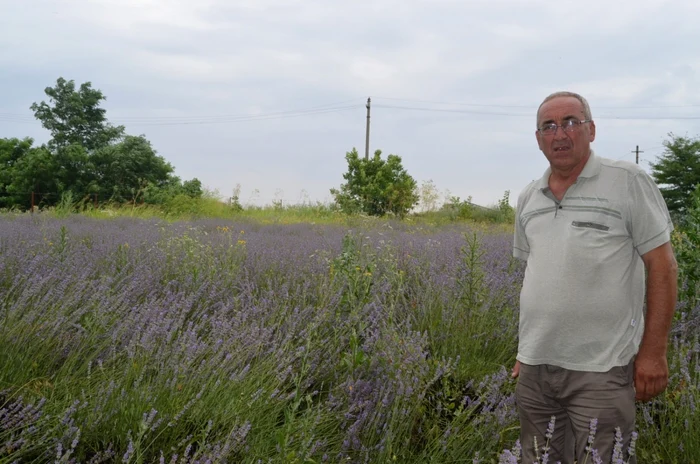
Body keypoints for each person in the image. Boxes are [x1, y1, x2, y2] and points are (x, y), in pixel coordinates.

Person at [511, 91, 678, 463]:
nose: (560, 134)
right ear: (538, 139)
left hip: (601, 370)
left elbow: (663, 265)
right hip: (537, 371)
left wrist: (653, 353)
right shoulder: (528, 198)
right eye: (548, 126)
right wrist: (526, 350)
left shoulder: (628, 182)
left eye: (571, 122)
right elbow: (536, 275)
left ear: (591, 129)